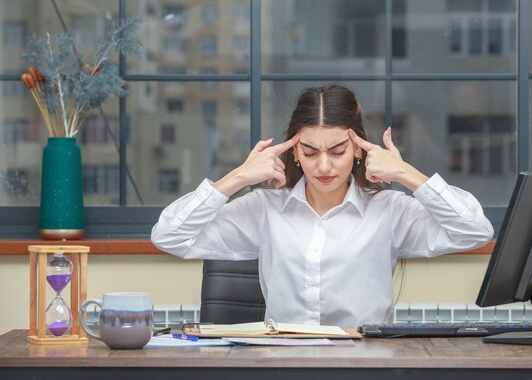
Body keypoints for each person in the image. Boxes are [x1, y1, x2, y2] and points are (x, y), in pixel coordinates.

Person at [151, 84, 494, 327]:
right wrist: (236, 178)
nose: (324, 166)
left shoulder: (390, 210)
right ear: (295, 153)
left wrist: (407, 174)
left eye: (338, 151)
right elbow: (169, 236)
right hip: (285, 367)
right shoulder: (265, 208)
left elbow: (474, 230)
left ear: (358, 148)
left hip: (366, 368)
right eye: (311, 152)